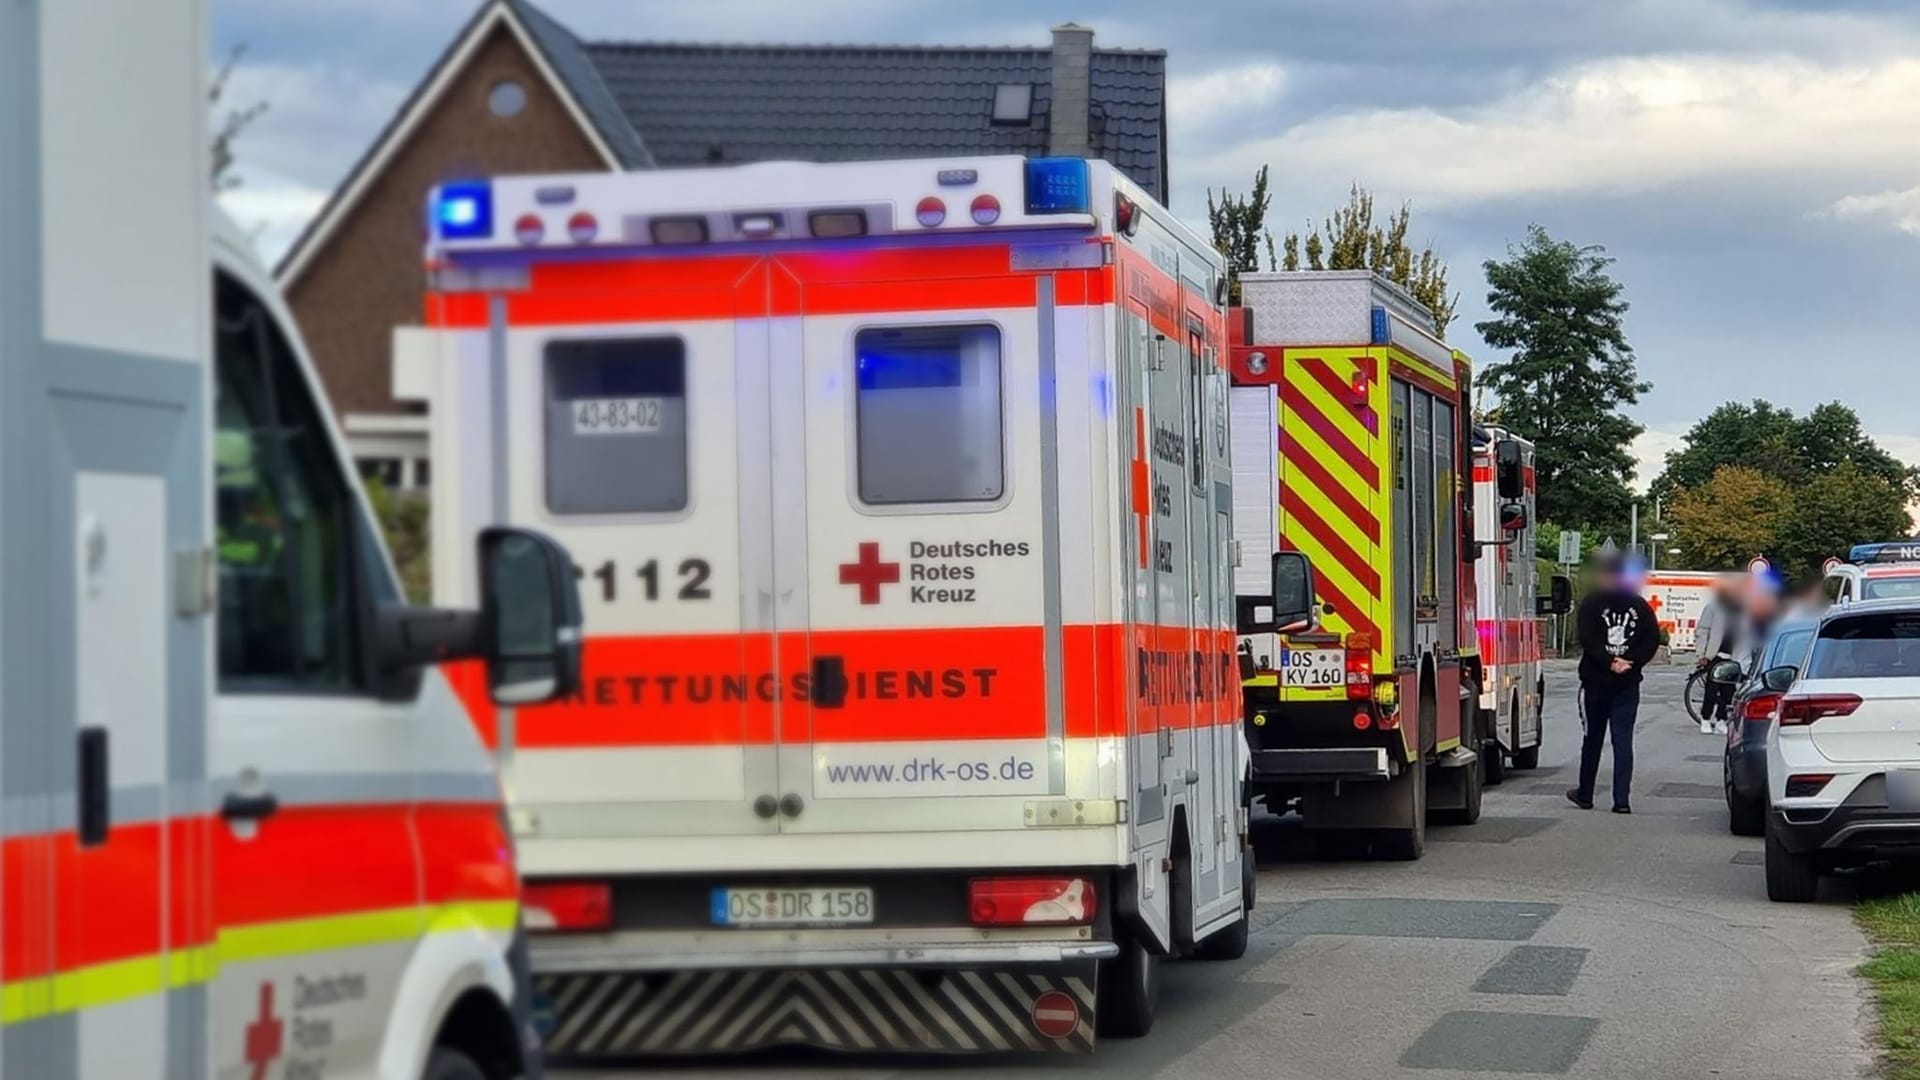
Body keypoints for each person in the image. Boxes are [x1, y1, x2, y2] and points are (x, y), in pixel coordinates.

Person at [1568, 552, 1660, 814]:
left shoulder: (1591, 604)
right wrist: (1631, 661)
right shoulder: (1640, 607)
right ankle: (1622, 801)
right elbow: (1651, 640)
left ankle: (1585, 794)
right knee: (1623, 741)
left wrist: (1609, 661)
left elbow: (1587, 639)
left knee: (1592, 739)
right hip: (1627, 685)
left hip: (1595, 683)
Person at [1694, 580, 1743, 734]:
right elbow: (1703, 631)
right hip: (1714, 654)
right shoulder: (1713, 608)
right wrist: (1701, 653)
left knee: (1728, 691)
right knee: (1712, 689)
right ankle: (1706, 718)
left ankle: (1721, 719)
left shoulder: (1740, 611)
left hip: (1732, 655)